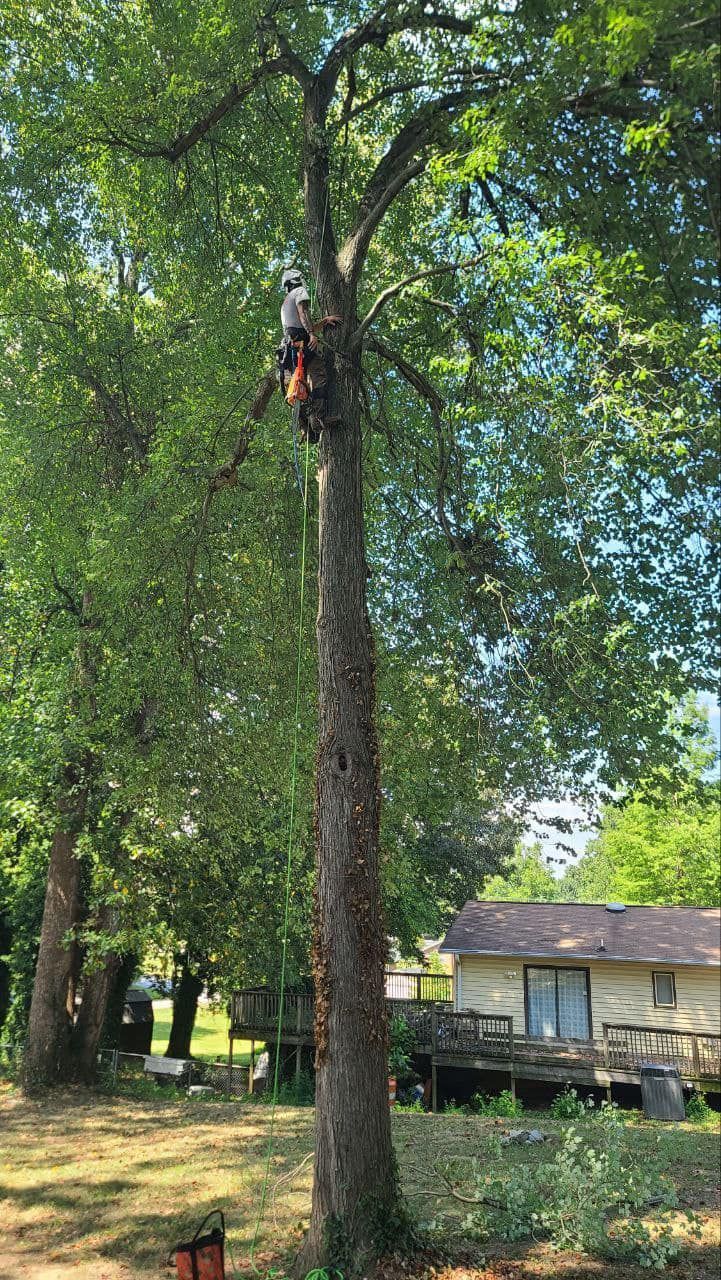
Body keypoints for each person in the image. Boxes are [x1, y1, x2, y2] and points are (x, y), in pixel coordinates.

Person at [277, 268, 341, 440]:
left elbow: (298, 324)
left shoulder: (285, 302)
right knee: (319, 375)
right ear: (298, 280)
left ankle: (307, 425)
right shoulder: (299, 291)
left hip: (291, 348)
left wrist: (324, 322)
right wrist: (312, 333)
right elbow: (303, 314)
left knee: (300, 386)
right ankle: (319, 418)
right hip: (301, 345)